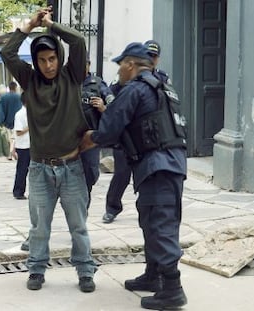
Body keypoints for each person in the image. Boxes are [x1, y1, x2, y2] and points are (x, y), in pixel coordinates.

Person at [81, 42, 188, 310]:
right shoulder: (162, 87)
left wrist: (89, 138)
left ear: (130, 64)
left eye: (120, 67)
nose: (118, 74)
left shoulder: (135, 89)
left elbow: (109, 128)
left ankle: (172, 289)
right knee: (151, 220)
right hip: (167, 163)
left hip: (158, 166)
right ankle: (154, 276)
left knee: (160, 225)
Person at [0, 6, 97, 292]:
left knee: (78, 226)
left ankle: (85, 271)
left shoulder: (72, 77)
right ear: (36, 61)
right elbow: (8, 53)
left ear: (59, 57)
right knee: (39, 227)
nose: (48, 65)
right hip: (40, 169)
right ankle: (37, 269)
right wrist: (30, 25)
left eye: (52, 58)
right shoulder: (29, 81)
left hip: (71, 167)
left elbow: (78, 40)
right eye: (42, 60)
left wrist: (51, 25)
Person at [102, 39, 171, 224]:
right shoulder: (128, 78)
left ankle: (149, 209)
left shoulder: (162, 78)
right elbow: (111, 94)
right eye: (149, 55)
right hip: (126, 136)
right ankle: (112, 207)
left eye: (154, 56)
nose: (152, 58)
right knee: (121, 175)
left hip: (149, 141)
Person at [80, 55, 114, 208]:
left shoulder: (99, 84)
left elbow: (114, 108)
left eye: (83, 64)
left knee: (91, 172)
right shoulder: (68, 82)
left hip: (91, 139)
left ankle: (83, 200)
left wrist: (102, 108)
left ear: (88, 65)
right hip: (70, 137)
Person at [0, 81, 22, 160]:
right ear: (15, 88)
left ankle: (10, 154)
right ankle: (12, 152)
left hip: (7, 122)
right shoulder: (19, 97)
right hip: (17, 121)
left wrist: (1, 121)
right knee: (14, 138)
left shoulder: (3, 97)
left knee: (9, 138)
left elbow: (1, 110)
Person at [12, 92, 29, 200]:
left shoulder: (34, 113)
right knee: (22, 169)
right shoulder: (20, 114)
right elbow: (18, 132)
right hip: (23, 146)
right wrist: (30, 126)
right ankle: (18, 191)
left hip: (32, 145)